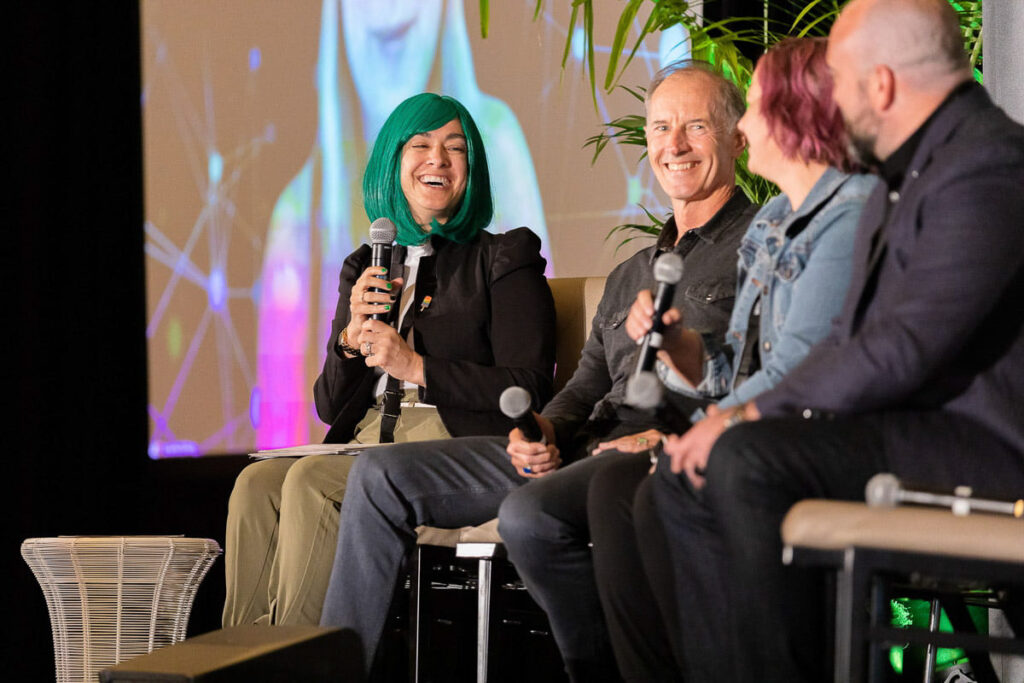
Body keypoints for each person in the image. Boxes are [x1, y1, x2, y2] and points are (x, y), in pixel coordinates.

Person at [318, 61, 758, 681]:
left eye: (695, 127)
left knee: (533, 515)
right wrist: (545, 431)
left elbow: (769, 374)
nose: (673, 146)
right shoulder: (634, 270)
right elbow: (583, 385)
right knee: (375, 476)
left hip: (658, 451)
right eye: (660, 129)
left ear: (740, 138)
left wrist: (670, 434)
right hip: (573, 449)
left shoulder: (763, 250)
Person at [635, 1, 1024, 681]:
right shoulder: (899, 180)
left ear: (881, 85)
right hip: (907, 432)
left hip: (987, 446)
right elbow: (850, 340)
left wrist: (746, 412)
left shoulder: (987, 164)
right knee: (681, 478)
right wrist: (726, 413)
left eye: (838, 80)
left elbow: (903, 346)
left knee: (745, 458)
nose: (828, 104)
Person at [498, 37, 877, 683]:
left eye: (749, 110)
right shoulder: (776, 224)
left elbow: (798, 370)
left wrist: (695, 430)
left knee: (631, 485)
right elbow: (736, 363)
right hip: (705, 434)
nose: (746, 125)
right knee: (621, 486)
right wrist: (683, 347)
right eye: (663, 128)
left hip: (803, 439)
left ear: (797, 115)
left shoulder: (845, 216)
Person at [222, 92, 556, 628]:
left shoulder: (505, 256)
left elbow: (529, 386)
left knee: (312, 482)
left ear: (472, 167)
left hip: (456, 440)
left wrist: (416, 367)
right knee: (256, 486)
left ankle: (307, 661)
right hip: (368, 439)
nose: (437, 160)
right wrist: (350, 344)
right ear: (391, 163)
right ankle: (244, 656)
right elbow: (331, 406)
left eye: (455, 148)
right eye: (420, 144)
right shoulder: (367, 264)